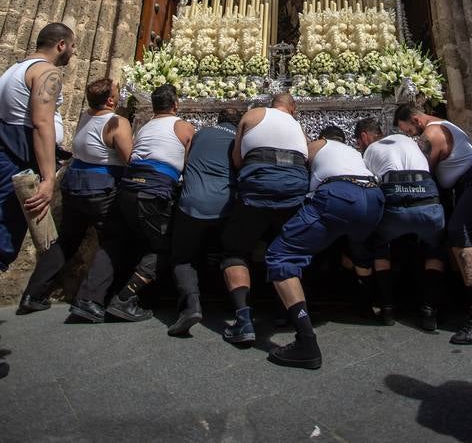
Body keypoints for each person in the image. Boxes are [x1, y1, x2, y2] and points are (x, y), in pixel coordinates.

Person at [72, 83, 195, 322]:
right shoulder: (183, 127)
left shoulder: (144, 127)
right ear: (176, 105)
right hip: (154, 191)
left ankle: (89, 299)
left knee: (119, 241)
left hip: (127, 189)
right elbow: (188, 165)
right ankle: (125, 299)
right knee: (164, 247)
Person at [265, 125, 384, 369]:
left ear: (321, 138)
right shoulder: (353, 153)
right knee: (351, 245)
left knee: (281, 255)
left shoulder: (320, 145)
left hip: (340, 196)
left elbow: (298, 163)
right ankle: (372, 302)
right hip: (374, 200)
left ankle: (306, 340)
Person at [17, 77, 132, 316]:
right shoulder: (117, 122)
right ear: (110, 100)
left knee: (67, 240)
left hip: (74, 184)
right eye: (117, 92)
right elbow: (129, 158)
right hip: (101, 190)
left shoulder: (84, 116)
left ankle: (33, 294)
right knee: (115, 241)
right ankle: (89, 299)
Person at [395, 103, 472, 344]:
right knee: (451, 237)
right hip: (467, 185)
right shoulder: (443, 125)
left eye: (409, 132)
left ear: (416, 120)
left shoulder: (431, 133)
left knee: (458, 231)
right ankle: (460, 302)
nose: (410, 136)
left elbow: (423, 172)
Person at [220, 92, 309, 345]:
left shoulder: (253, 114)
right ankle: (287, 312)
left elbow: (237, 159)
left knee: (234, 250)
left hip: (258, 189)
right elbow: (306, 157)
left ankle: (243, 319)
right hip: (293, 191)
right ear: (292, 109)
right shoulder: (297, 126)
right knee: (286, 250)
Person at [355, 114, 445, 330]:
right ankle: (428, 309)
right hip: (427, 198)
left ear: (365, 137)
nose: (359, 147)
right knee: (435, 246)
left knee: (379, 244)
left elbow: (370, 186)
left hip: (394, 201)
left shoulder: (369, 152)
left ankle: (387, 307)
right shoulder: (408, 140)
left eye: (358, 143)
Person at [0, 23, 76, 273]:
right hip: (17, 160)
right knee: (4, 236)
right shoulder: (47, 72)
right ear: (61, 45)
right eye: (73, 46)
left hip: (6, 152)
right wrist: (48, 179)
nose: (74, 52)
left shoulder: (15, 69)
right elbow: (42, 123)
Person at [168, 107, 242, 337]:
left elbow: (187, 159)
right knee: (231, 253)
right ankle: (238, 305)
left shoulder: (200, 133)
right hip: (224, 205)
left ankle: (191, 305)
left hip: (191, 203)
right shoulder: (238, 139)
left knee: (182, 258)